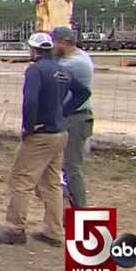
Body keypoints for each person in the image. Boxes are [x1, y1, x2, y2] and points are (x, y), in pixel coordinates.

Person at [0, 32, 91, 246]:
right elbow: (83, 93)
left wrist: (29, 126)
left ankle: (15, 228)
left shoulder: (35, 70)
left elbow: (30, 100)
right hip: (60, 133)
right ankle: (54, 230)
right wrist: (63, 112)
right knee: (52, 182)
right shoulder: (62, 70)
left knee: (21, 180)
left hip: (41, 134)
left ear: (33, 50)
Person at [52, 26, 94, 208]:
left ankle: (79, 211)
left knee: (72, 167)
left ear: (62, 43)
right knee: (64, 166)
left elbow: (48, 70)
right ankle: (67, 208)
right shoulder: (75, 57)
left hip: (76, 119)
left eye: (53, 43)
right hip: (72, 117)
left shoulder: (74, 63)